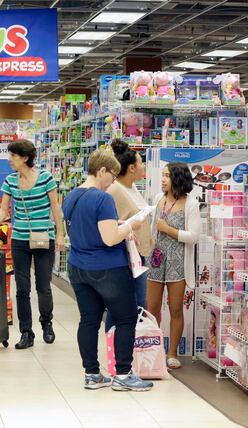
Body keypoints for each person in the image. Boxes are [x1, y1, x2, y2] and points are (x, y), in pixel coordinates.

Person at [62, 148, 153, 392]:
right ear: (101, 170)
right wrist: (132, 224)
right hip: (109, 269)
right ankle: (123, 375)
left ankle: (92, 373)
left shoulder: (71, 196)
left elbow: (88, 228)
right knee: (125, 319)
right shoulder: (102, 199)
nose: (113, 181)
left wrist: (119, 224)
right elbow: (110, 238)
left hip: (78, 267)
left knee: (88, 320)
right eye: (111, 175)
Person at [0, 139, 64, 349]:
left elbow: (55, 208)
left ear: (25, 158)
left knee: (43, 285)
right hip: (20, 240)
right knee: (22, 288)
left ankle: (47, 323)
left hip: (44, 238)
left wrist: (60, 235)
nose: (9, 160)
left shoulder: (45, 178)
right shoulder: (10, 181)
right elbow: (4, 208)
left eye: (13, 156)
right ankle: (26, 331)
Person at [147, 162, 200, 370]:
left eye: (167, 175)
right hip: (156, 259)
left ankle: (172, 353)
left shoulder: (191, 204)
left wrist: (169, 229)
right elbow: (153, 230)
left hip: (178, 261)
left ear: (177, 178)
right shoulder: (158, 199)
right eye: (162, 175)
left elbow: (194, 236)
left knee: (175, 308)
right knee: (151, 307)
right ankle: (152, 350)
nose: (162, 179)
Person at [105, 140, 152, 331]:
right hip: (124, 256)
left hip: (138, 254)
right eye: (141, 163)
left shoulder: (132, 188)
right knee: (126, 304)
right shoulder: (115, 190)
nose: (143, 167)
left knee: (138, 303)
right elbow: (110, 223)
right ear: (131, 167)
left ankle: (133, 349)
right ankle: (115, 347)